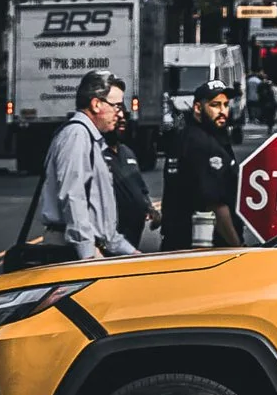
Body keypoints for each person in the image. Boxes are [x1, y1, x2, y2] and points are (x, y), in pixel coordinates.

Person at [37, 73, 139, 261]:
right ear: (96, 104)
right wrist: (87, 253)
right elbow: (73, 195)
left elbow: (98, 213)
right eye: (116, 106)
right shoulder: (77, 135)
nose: (119, 113)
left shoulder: (91, 138)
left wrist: (127, 250)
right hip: (72, 249)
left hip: (88, 246)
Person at [162, 80, 242, 247]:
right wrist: (237, 246)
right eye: (215, 105)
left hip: (177, 242)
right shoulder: (203, 145)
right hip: (203, 247)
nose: (223, 111)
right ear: (198, 108)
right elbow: (216, 204)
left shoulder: (187, 136)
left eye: (225, 105)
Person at [104, 81, 158, 246]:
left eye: (125, 118)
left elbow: (140, 188)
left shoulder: (127, 152)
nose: (122, 121)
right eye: (117, 118)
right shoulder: (96, 152)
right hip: (110, 237)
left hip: (132, 236)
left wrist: (149, 208)